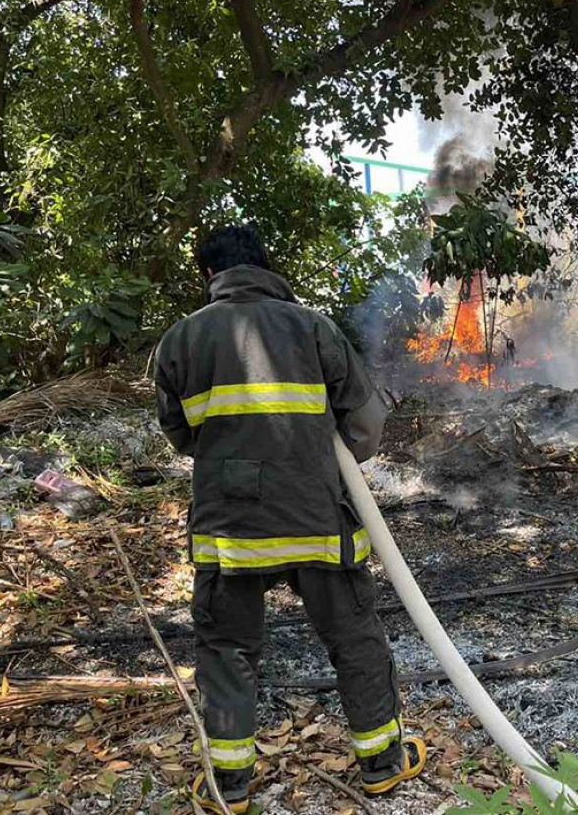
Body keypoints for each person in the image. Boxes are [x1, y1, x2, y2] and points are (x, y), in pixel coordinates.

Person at [153, 225, 425, 812]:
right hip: (317, 516)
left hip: (230, 529)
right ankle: (381, 764)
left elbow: (181, 434)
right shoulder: (314, 328)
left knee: (226, 648)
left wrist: (233, 454)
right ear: (266, 264)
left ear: (209, 275)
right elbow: (366, 423)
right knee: (353, 637)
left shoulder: (180, 340)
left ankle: (230, 785)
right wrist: (325, 460)